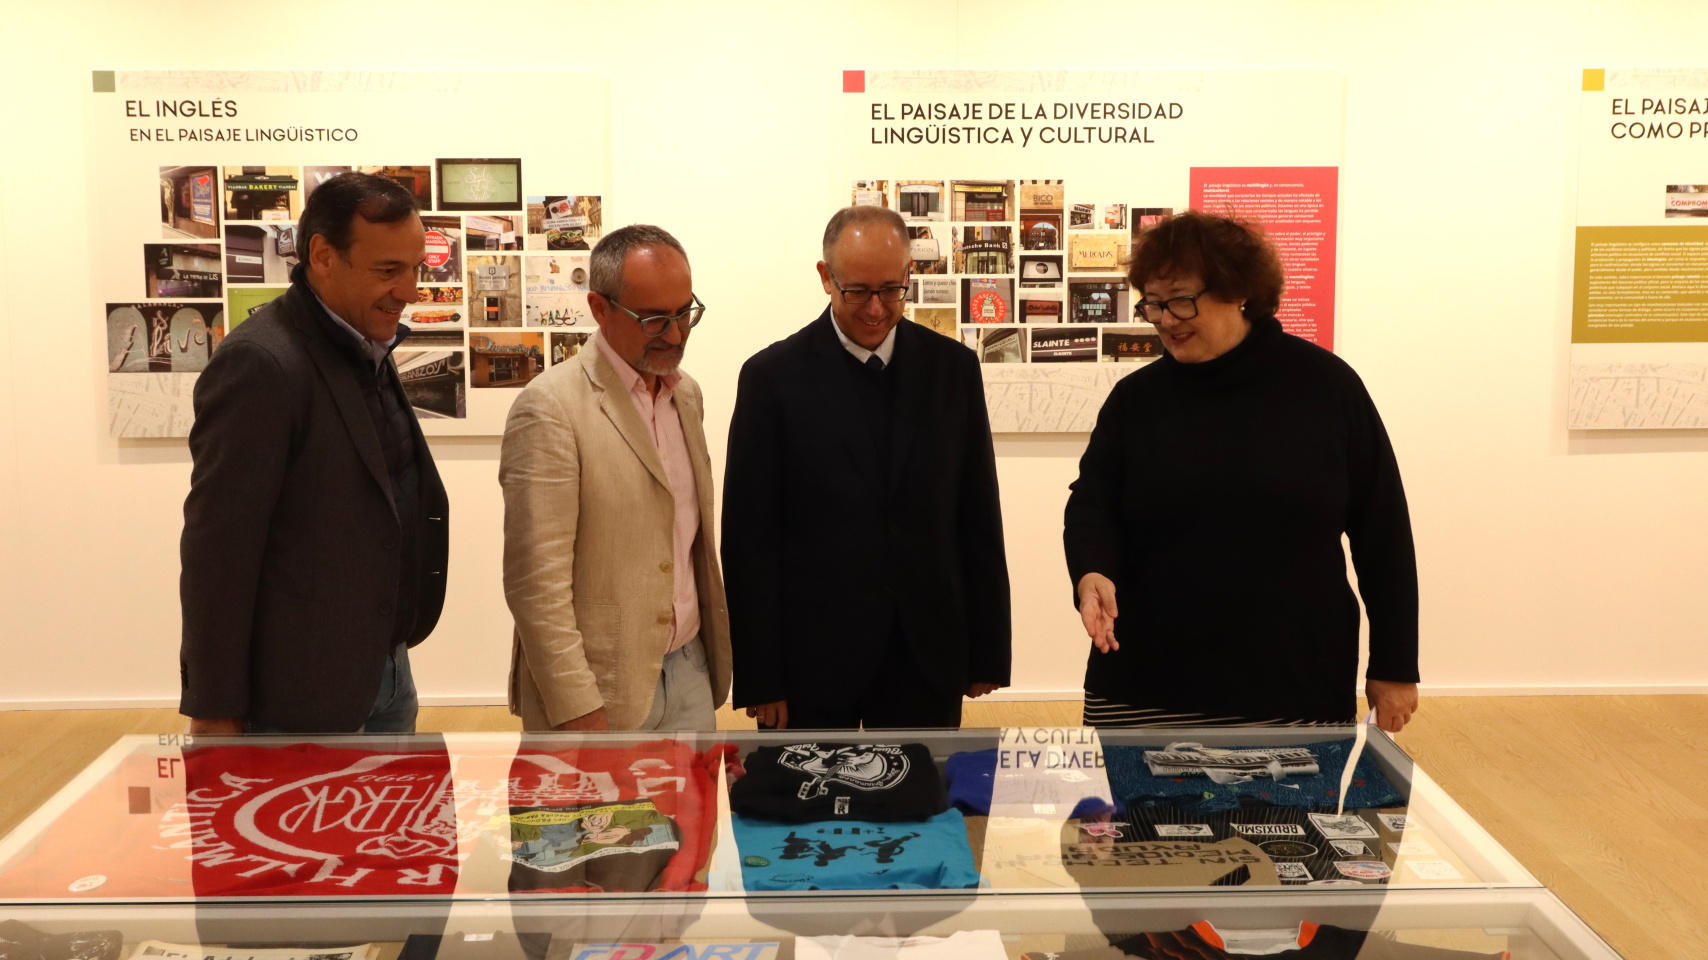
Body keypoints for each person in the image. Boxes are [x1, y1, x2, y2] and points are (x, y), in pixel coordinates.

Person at [1063, 210, 1420, 731]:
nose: (1165, 319)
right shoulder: (1135, 401)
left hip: (1292, 690)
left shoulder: (1326, 389)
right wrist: (1090, 570)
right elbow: (1092, 502)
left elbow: (1383, 532)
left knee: (1289, 816)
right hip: (1145, 685)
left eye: (1182, 300)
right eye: (1153, 303)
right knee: (1134, 815)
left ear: (1239, 291)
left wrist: (1393, 666)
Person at [179, 172, 449, 735]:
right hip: (302, 692)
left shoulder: (365, 339)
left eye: (415, 268)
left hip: (388, 670)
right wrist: (214, 706)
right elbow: (218, 554)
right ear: (323, 256)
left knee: (396, 826)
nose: (410, 290)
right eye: (387, 270)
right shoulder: (261, 364)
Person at [722, 205, 1011, 730]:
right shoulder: (771, 378)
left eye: (891, 289)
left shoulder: (953, 370)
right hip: (811, 662)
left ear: (909, 276)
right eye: (857, 291)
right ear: (824, 277)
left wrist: (988, 651)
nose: (876, 308)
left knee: (925, 808)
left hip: (924, 657)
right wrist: (762, 677)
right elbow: (749, 540)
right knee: (809, 810)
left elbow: (977, 514)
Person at [500, 224, 731, 731]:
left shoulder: (685, 394)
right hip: (598, 690)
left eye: (684, 314)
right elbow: (536, 583)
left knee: (683, 814)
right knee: (593, 815)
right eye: (653, 320)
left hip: (689, 672)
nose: (675, 335)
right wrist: (577, 706)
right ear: (599, 309)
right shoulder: (550, 407)